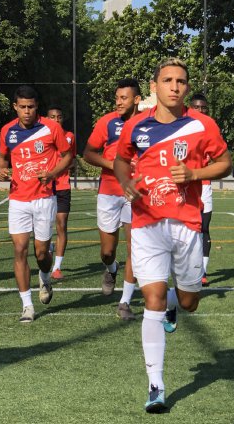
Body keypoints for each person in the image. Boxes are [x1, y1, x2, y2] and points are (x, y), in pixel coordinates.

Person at [114, 58, 232, 412]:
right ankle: (156, 385)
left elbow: (225, 162)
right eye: (167, 80)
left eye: (181, 81)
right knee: (149, 299)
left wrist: (195, 173)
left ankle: (172, 305)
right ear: (154, 87)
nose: (175, 86)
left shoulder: (202, 124)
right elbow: (121, 160)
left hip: (187, 224)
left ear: (187, 87)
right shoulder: (136, 126)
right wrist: (125, 182)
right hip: (147, 222)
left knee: (189, 302)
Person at [0, 86, 72, 323]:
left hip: (43, 199)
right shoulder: (7, 131)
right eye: (22, 107)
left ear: (36, 106)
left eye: (31, 107)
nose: (27, 111)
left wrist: (52, 174)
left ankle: (45, 276)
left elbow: (69, 156)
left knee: (41, 253)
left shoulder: (52, 128)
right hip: (18, 199)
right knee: (19, 249)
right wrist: (0, 169)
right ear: (15, 107)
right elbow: (2, 158)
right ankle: (27, 305)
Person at [83, 78, 141, 321]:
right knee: (107, 251)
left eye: (123, 98)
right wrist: (114, 164)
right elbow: (88, 153)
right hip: (108, 191)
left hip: (136, 193)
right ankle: (111, 268)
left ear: (137, 99)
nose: (118, 102)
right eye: (117, 98)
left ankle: (125, 301)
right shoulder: (107, 122)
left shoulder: (148, 123)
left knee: (135, 248)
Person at [45, 105, 76, 280]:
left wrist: (62, 167)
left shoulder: (69, 136)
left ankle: (57, 267)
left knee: (61, 224)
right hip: (45, 187)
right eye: (52, 117)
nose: (56, 120)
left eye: (59, 117)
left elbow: (72, 160)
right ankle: (48, 246)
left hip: (63, 185)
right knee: (45, 224)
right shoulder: (40, 137)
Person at [189, 93, 213, 286]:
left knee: (204, 227)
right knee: (186, 229)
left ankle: (202, 271)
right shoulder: (181, 125)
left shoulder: (211, 128)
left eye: (203, 108)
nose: (200, 111)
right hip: (185, 186)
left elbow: (220, 157)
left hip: (204, 185)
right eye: (196, 107)